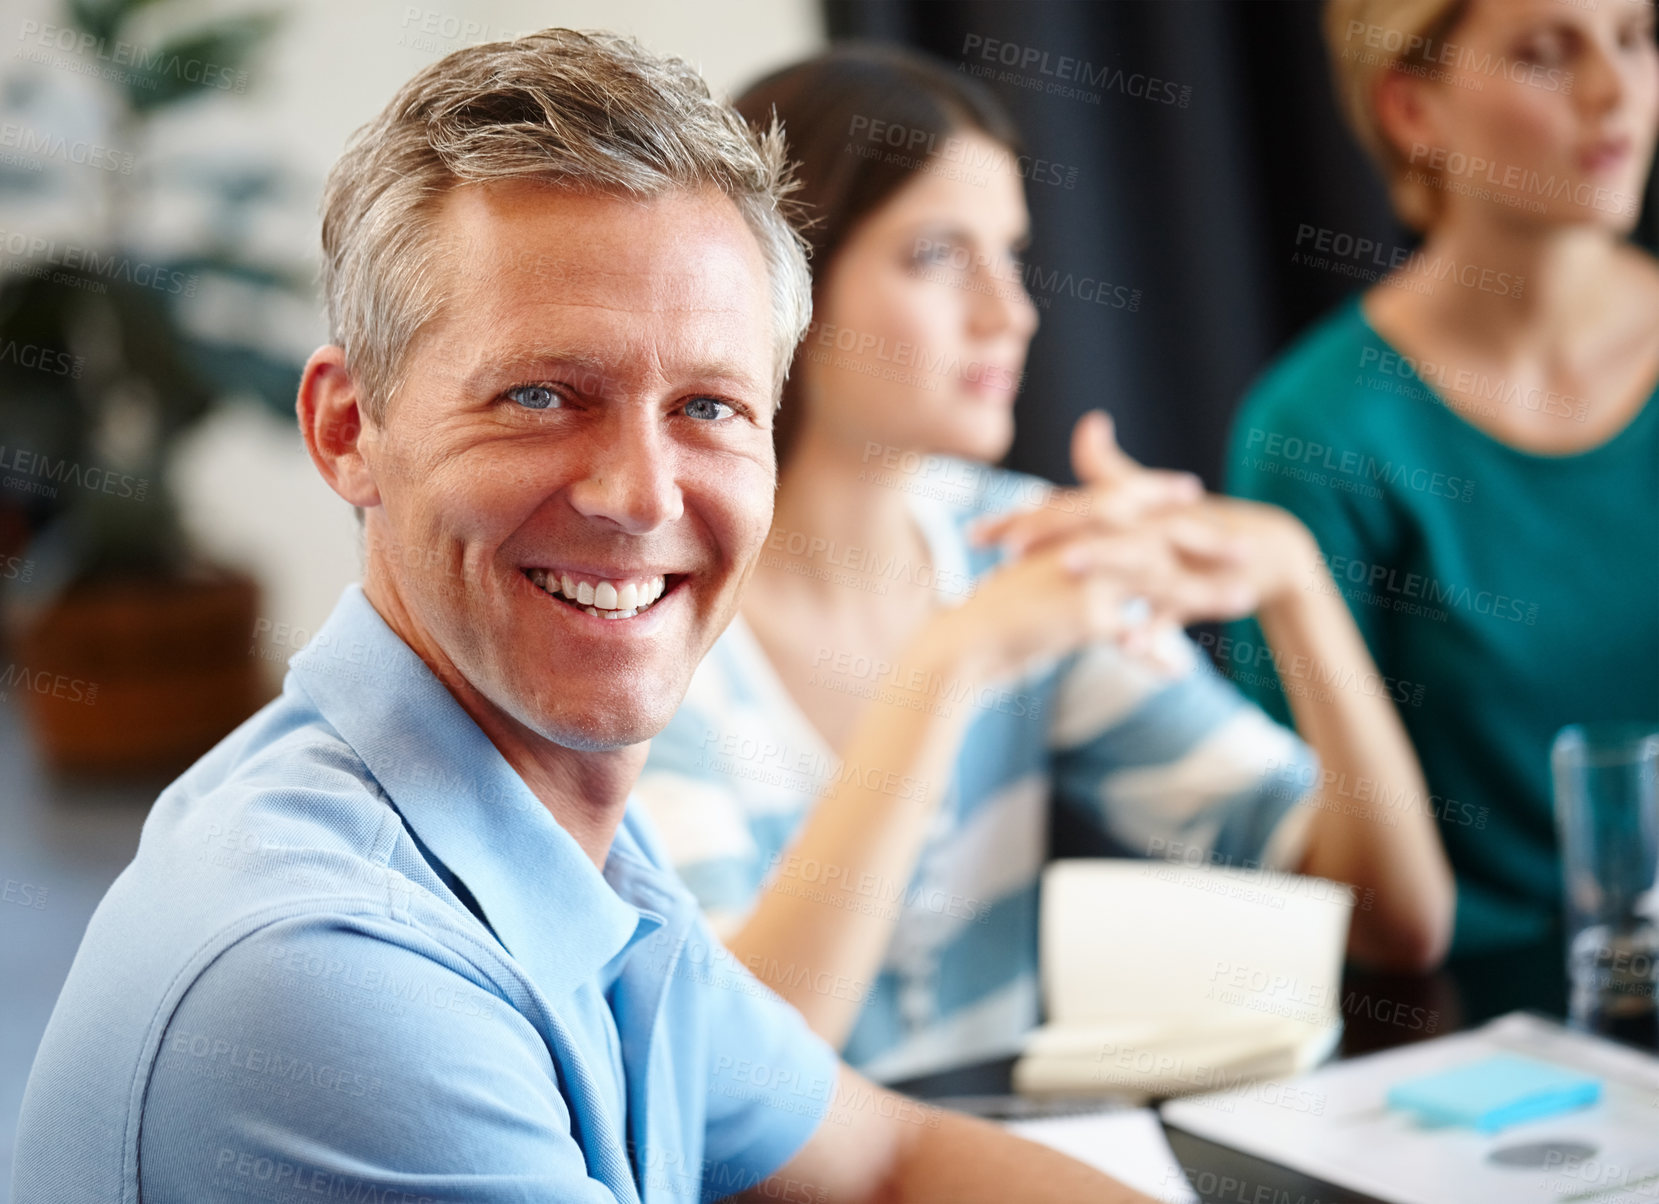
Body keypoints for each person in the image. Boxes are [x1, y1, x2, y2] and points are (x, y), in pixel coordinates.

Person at [9, 30, 1160, 1203]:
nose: (642, 496)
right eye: (542, 394)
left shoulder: (566, 828)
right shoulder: (329, 973)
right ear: (349, 430)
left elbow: (889, 1164)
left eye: (709, 407)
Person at [634, 45, 1453, 1085]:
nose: (1010, 311)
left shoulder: (1014, 550)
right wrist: (951, 667)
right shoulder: (649, 623)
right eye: (937, 255)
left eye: (1012, 254)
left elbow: (1398, 924)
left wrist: (1294, 584)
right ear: (778, 281)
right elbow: (732, 1082)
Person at [1226, 0, 1659, 956]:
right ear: (1411, 108)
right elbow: (1318, 861)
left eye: (1634, 36)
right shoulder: (1316, 429)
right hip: (1463, 1044)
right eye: (1548, 54)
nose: (1614, 90)